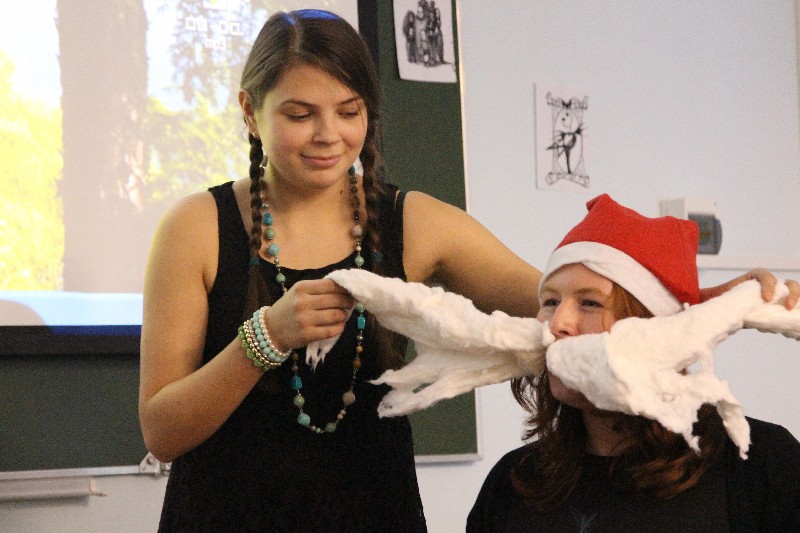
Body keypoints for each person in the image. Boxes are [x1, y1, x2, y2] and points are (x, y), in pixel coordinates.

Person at [138, 8, 795, 532]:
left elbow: (576, 308)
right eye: (299, 114)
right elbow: (162, 431)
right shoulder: (196, 228)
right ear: (250, 112)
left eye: (349, 111)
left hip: (377, 516)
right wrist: (266, 337)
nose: (328, 135)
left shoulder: (415, 221)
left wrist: (714, 300)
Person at [466, 194, 800, 532]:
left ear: (655, 331)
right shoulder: (513, 483)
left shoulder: (759, 464)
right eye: (550, 301)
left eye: (590, 303)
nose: (556, 324)